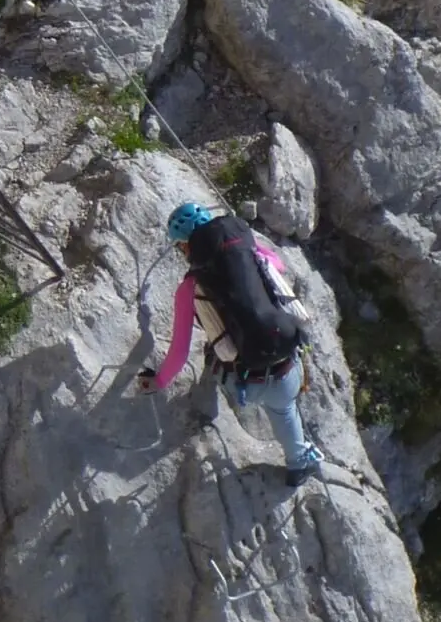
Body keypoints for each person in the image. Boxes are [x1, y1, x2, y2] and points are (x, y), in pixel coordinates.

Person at [136, 201, 323, 486]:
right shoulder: (254, 256)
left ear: (185, 247)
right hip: (286, 371)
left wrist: (158, 381)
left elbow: (179, 351)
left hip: (240, 384)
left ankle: (210, 387)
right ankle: (299, 463)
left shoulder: (189, 289)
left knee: (213, 347)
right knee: (284, 412)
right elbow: (279, 264)